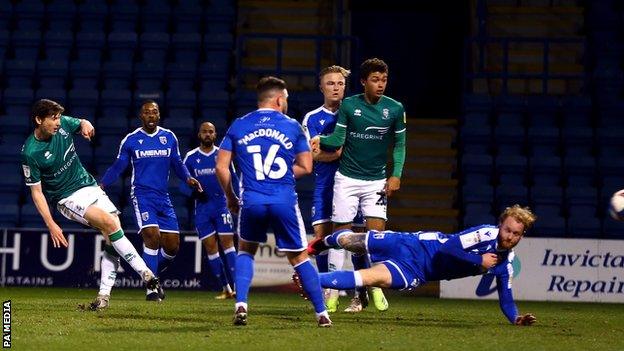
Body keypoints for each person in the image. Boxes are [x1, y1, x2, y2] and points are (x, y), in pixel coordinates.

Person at [20, 99, 162, 310]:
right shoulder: (30, 153)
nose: (58, 122)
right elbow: (37, 193)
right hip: (67, 198)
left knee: (112, 233)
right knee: (109, 223)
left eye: (59, 117)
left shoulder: (64, 125)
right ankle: (147, 275)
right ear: (39, 120)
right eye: (53, 118)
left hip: (88, 185)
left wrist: (86, 124)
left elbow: (81, 123)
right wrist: (51, 223)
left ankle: (103, 297)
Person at [216, 76, 331, 327]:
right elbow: (306, 166)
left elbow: (221, 167)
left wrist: (231, 197)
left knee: (246, 250)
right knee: (299, 257)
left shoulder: (239, 125)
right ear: (280, 99)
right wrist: (279, 175)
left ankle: (241, 305)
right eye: (286, 99)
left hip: (252, 201)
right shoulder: (292, 126)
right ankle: (322, 314)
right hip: (283, 201)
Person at [300, 204, 538, 326]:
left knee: (368, 277)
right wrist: (479, 260)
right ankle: (323, 243)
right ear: (500, 225)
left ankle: (308, 278)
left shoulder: (505, 265)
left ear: (521, 235)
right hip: (414, 243)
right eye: (507, 229)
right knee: (351, 241)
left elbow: (505, 297)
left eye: (515, 233)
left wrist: (515, 318)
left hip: (417, 271)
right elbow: (449, 248)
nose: (508, 236)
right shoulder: (486, 234)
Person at [309, 57, 407, 312]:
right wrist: (321, 140)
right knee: (341, 237)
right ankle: (331, 293)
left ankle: (373, 287)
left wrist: (395, 175)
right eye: (375, 79)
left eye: (384, 79)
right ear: (363, 81)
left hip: (376, 180)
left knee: (374, 238)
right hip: (347, 180)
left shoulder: (395, 109)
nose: (381, 84)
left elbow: (400, 145)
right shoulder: (350, 106)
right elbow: (339, 137)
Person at [100, 100, 202, 302]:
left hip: (163, 198)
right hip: (142, 195)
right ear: (141, 116)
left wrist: (188, 178)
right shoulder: (131, 140)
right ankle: (151, 290)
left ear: (159, 115)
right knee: (152, 236)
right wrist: (102, 184)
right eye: (147, 112)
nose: (151, 115)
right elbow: (119, 166)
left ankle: (149, 273)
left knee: (172, 247)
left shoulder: (168, 137)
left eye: (154, 112)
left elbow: (177, 163)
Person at [302, 65, 367, 313]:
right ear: (321, 87)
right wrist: (338, 153)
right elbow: (312, 155)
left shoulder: (356, 112)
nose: (336, 88)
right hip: (325, 185)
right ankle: (326, 290)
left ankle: (359, 294)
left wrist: (333, 152)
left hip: (354, 182)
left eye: (340, 83)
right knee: (321, 239)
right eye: (330, 83)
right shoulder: (312, 118)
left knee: (356, 241)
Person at [180, 121, 238, 299]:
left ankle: (238, 287)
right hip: (203, 210)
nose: (207, 134)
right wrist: (193, 193)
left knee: (228, 244)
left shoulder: (222, 154)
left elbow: (234, 179)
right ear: (199, 135)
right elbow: (183, 185)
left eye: (210, 132)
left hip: (222, 206)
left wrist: (235, 199)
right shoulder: (190, 157)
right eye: (204, 131)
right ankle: (225, 288)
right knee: (211, 248)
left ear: (215, 135)